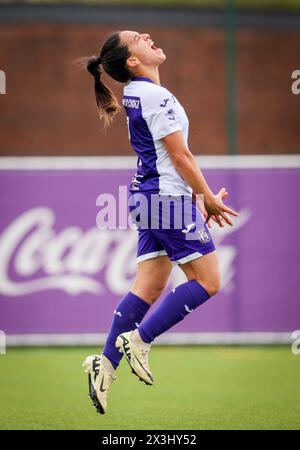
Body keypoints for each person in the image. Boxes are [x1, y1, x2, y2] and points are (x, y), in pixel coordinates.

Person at [82, 30, 238, 414]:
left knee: (149, 287)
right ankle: (140, 340)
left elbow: (171, 158)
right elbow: (181, 156)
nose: (148, 35)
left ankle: (105, 362)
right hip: (164, 199)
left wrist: (195, 197)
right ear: (132, 61)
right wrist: (203, 197)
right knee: (208, 281)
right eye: (137, 38)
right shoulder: (153, 94)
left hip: (149, 197)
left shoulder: (138, 92)